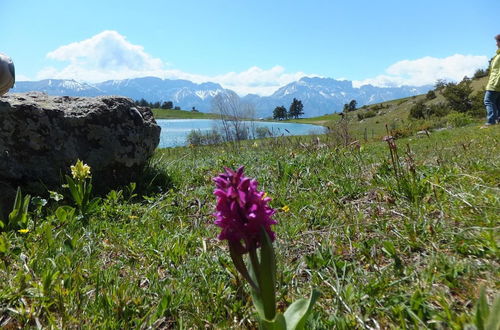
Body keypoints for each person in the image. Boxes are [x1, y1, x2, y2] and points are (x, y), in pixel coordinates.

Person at [482, 34, 500, 127]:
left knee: (488, 100)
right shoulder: (497, 55)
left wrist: (496, 82)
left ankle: (491, 121)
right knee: (497, 102)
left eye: (497, 41)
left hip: (495, 83)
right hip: (495, 82)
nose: (496, 44)